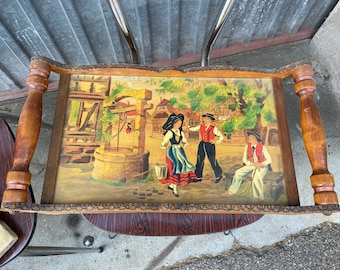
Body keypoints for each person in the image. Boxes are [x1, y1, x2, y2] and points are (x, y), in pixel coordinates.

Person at [221, 130, 272, 202]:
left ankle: (258, 198)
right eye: (249, 137)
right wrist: (251, 164)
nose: (249, 139)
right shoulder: (247, 147)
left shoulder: (262, 147)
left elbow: (269, 159)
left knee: (256, 178)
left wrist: (261, 164)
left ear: (256, 139)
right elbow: (244, 159)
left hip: (261, 166)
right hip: (251, 165)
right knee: (238, 172)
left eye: (251, 137)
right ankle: (231, 192)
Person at [160, 113, 197, 197]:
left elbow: (185, 143)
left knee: (182, 166)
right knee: (174, 167)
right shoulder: (170, 132)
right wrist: (162, 154)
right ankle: (174, 189)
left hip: (180, 152)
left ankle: (171, 185)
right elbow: (163, 144)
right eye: (177, 123)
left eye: (180, 124)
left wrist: (191, 151)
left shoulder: (181, 133)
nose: (178, 125)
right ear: (173, 123)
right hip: (172, 152)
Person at [188, 113, 223, 183]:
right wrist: (188, 127)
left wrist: (216, 141)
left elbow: (221, 136)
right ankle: (198, 176)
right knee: (199, 160)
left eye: (207, 119)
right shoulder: (201, 126)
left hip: (210, 145)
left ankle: (218, 175)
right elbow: (193, 129)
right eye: (205, 118)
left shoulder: (213, 128)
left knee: (212, 160)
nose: (206, 120)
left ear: (210, 120)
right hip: (202, 144)